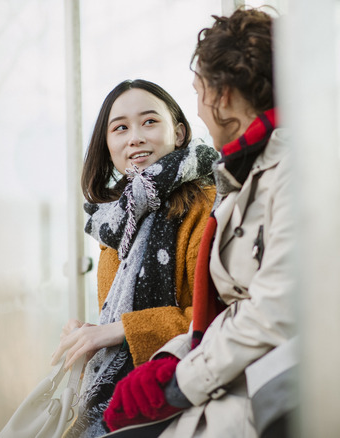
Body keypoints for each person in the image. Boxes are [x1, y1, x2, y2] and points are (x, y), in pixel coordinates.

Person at [103, 8, 297, 438]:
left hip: (270, 405)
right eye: (119, 128)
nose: (200, 109)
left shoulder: (288, 175)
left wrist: (174, 381)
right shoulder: (245, 178)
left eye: (198, 91)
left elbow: (269, 312)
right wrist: (170, 362)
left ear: (222, 96)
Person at [50, 79, 219, 438]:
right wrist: (93, 334)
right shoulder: (115, 227)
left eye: (149, 122)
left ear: (179, 130)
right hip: (131, 401)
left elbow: (217, 322)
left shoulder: (206, 205)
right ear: (107, 145)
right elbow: (123, 320)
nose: (135, 137)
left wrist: (118, 331)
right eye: (120, 128)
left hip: (190, 400)